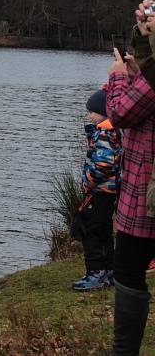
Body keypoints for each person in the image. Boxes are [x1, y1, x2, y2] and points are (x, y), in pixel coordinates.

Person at [106, 0, 155, 355]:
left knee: (128, 272)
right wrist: (142, 37)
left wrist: (118, 75)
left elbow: (120, 113)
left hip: (145, 196)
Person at [71, 88, 121, 291]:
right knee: (103, 231)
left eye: (92, 111)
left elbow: (103, 164)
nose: (89, 115)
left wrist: (89, 183)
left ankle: (95, 273)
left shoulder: (104, 133)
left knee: (90, 231)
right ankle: (109, 270)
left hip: (99, 191)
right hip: (107, 193)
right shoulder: (111, 131)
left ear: (103, 111)